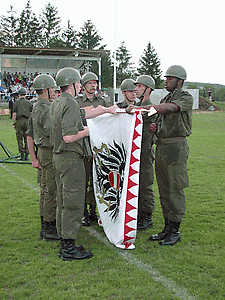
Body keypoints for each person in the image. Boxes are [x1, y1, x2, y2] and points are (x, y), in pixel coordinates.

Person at [50, 67, 117, 261]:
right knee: (73, 202)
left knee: (63, 201)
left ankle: (65, 241)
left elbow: (84, 112)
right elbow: (69, 136)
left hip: (60, 157)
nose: (80, 85)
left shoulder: (59, 101)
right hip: (70, 157)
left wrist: (105, 110)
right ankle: (69, 247)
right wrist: (89, 132)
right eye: (79, 82)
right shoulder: (69, 103)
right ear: (71, 84)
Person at [127, 65, 193, 245]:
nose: (166, 82)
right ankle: (167, 227)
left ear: (180, 81)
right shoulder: (166, 97)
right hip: (162, 145)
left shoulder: (185, 97)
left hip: (176, 147)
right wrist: (156, 127)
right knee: (164, 190)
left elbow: (172, 108)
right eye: (165, 79)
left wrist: (150, 109)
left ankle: (175, 230)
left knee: (175, 188)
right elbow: (162, 116)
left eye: (169, 79)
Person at [76, 72, 109, 227]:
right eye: (90, 83)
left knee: (97, 181)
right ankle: (82, 212)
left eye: (95, 83)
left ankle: (93, 211)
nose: (93, 86)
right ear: (83, 86)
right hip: (82, 146)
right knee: (83, 180)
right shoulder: (77, 102)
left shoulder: (102, 101)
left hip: (99, 146)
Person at [31, 74, 59, 242]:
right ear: (46, 90)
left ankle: (45, 224)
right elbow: (52, 131)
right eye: (53, 89)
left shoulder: (37, 106)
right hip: (48, 150)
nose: (55, 92)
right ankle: (49, 226)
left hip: (42, 150)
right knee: (51, 190)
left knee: (45, 189)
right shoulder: (46, 108)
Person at [134, 75, 156, 230]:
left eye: (140, 86)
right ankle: (138, 214)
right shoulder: (138, 106)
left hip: (145, 152)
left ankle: (147, 216)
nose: (136, 89)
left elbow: (148, 114)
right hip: (136, 152)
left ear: (148, 89)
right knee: (136, 184)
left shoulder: (150, 108)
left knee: (145, 184)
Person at [13, 87, 33, 161]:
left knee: (20, 138)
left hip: (19, 121)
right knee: (27, 138)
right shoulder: (29, 102)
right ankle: (27, 155)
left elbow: (14, 114)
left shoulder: (16, 103)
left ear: (19, 94)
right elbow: (32, 113)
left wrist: (14, 123)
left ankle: (22, 155)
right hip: (27, 121)